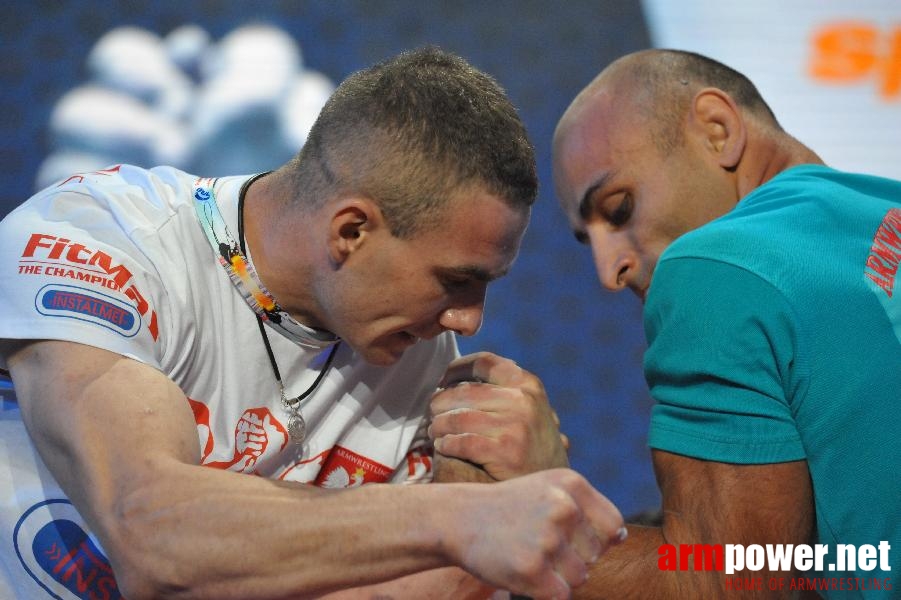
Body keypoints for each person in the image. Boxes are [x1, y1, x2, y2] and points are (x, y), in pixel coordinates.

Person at [0, 47, 625, 600]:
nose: (469, 318)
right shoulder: (97, 239)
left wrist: (518, 491)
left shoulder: (421, 356)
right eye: (454, 280)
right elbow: (150, 537)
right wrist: (455, 518)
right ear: (351, 231)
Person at [541, 48, 900, 597]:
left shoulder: (711, 265)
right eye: (588, 237)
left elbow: (731, 582)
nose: (608, 270)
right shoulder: (881, 205)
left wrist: (525, 515)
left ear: (717, 129)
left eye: (618, 208)